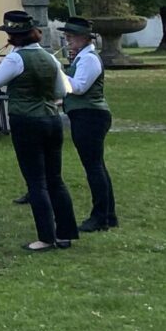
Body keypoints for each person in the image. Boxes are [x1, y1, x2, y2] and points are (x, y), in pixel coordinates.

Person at [0, 10, 77, 252]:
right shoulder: (50, 58)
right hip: (52, 119)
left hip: (26, 121)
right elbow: (61, 91)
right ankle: (65, 233)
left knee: (36, 182)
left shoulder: (16, 59)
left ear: (11, 37)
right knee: (55, 179)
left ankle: (46, 237)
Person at [60, 16, 118, 232]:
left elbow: (78, 87)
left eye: (71, 37)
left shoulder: (89, 59)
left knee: (94, 167)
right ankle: (108, 215)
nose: (68, 42)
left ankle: (100, 216)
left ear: (84, 38)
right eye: (66, 37)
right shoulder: (81, 57)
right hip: (85, 114)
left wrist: (57, 72)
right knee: (96, 165)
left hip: (91, 116)